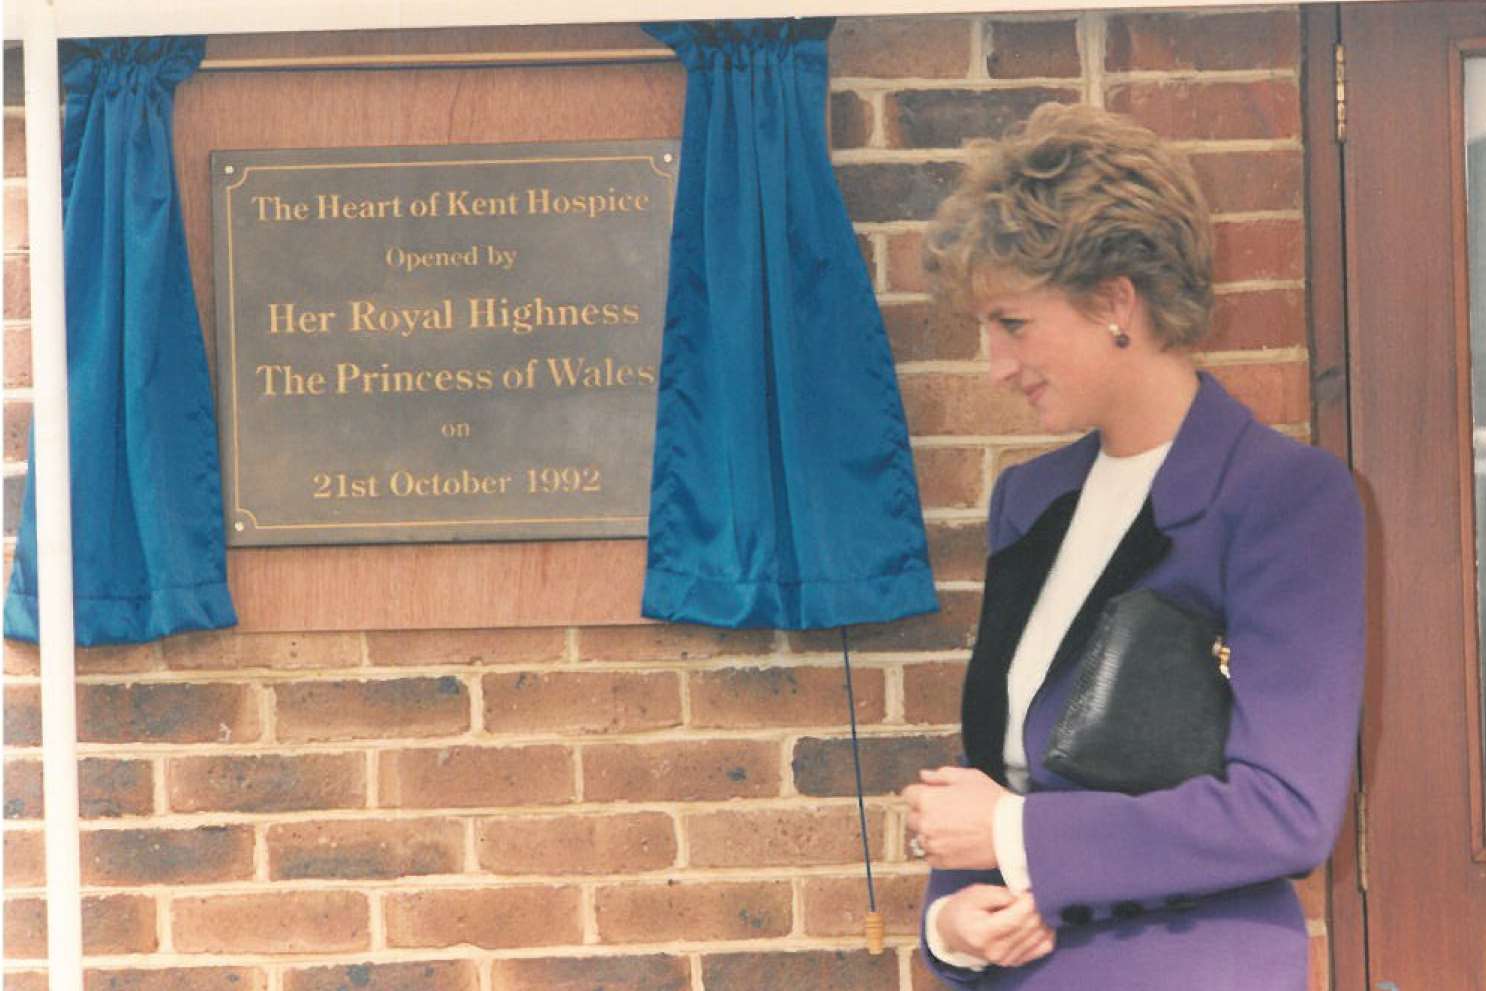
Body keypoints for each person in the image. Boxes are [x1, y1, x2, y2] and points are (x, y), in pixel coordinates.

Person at [902, 102, 1364, 990]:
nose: (996, 365)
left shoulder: (1283, 499)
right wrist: (952, 921)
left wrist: (1015, 836)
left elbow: (1286, 810)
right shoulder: (1029, 501)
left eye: (1014, 323)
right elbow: (1004, 754)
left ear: (1115, 301)